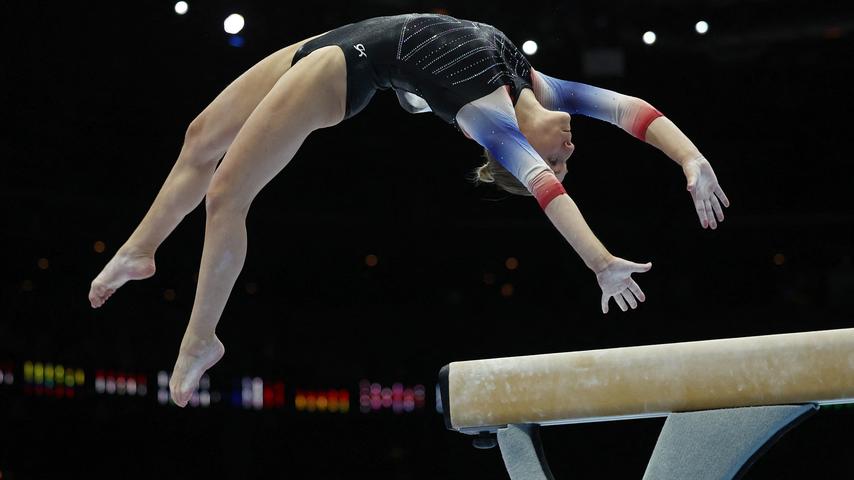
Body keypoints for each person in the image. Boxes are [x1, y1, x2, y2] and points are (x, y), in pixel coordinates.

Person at [87, 13, 730, 407]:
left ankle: (201, 338)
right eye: (565, 161)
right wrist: (692, 160)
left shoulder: (494, 124)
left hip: (345, 72)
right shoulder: (538, 85)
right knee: (202, 136)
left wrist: (600, 262)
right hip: (345, 36)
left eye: (557, 161)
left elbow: (549, 197)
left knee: (228, 193)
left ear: (522, 154)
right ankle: (139, 251)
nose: (569, 154)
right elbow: (633, 112)